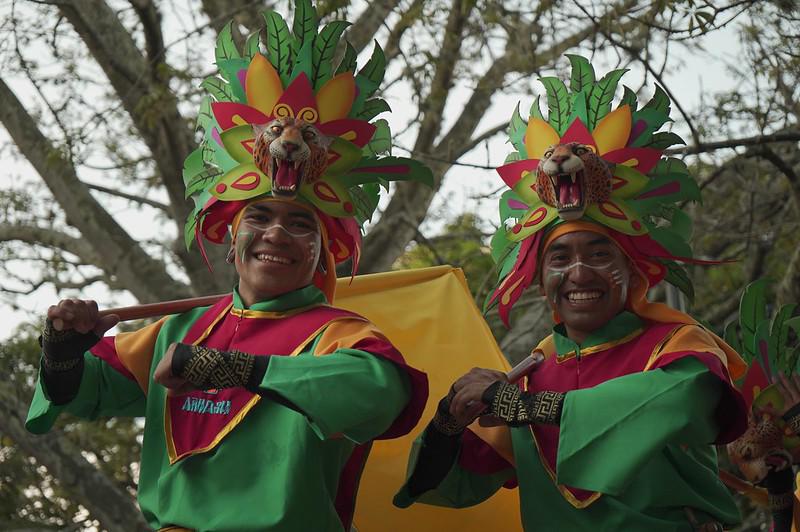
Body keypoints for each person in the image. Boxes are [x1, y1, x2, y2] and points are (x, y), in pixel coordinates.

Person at [26, 5, 432, 531]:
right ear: (230, 241)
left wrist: (235, 369)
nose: (276, 234)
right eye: (258, 217)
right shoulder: (178, 330)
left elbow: (382, 392)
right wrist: (62, 352)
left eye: (300, 225)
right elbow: (85, 393)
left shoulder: (339, 334)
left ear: (322, 252)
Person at [394, 55, 749, 531]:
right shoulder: (531, 372)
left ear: (633, 271)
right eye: (559, 259)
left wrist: (524, 408)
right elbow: (445, 484)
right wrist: (450, 418)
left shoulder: (677, 348)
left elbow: (678, 403)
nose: (579, 272)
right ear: (540, 279)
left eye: (600, 254)